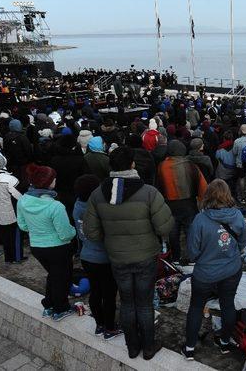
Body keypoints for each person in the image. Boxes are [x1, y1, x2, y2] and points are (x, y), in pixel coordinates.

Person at [83, 146, 174, 360]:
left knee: (126, 301)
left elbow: (92, 233)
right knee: (143, 302)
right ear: (132, 165)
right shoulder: (149, 192)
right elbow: (164, 227)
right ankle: (148, 347)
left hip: (117, 258)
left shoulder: (97, 195)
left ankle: (132, 347)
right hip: (145, 258)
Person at [183, 179, 246, 359]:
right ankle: (225, 343)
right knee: (227, 304)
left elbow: (193, 252)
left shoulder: (200, 220)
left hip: (205, 273)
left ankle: (189, 348)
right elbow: (243, 241)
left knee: (196, 307)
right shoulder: (237, 215)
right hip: (231, 270)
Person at [17, 164, 76, 321]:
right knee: (62, 278)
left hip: (37, 246)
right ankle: (60, 308)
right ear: (49, 183)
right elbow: (65, 234)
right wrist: (74, 231)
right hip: (58, 248)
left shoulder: (23, 200)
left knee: (54, 276)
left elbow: (22, 225)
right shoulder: (55, 206)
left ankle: (48, 304)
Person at [73, 174, 122, 340]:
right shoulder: (98, 209)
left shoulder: (77, 206)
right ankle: (110, 327)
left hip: (87, 256)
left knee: (95, 291)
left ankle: (100, 324)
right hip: (104, 258)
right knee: (109, 294)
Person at [156, 140, 207, 263]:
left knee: (173, 234)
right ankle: (192, 258)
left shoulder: (162, 166)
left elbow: (158, 188)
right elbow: (203, 189)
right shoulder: (191, 166)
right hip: (189, 205)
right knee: (191, 232)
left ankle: (175, 258)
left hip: (169, 206)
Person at [2, 118, 33, 186]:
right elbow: (28, 150)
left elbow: (5, 149)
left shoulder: (6, 136)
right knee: (23, 179)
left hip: (11, 163)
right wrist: (29, 160)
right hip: (22, 163)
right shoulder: (22, 137)